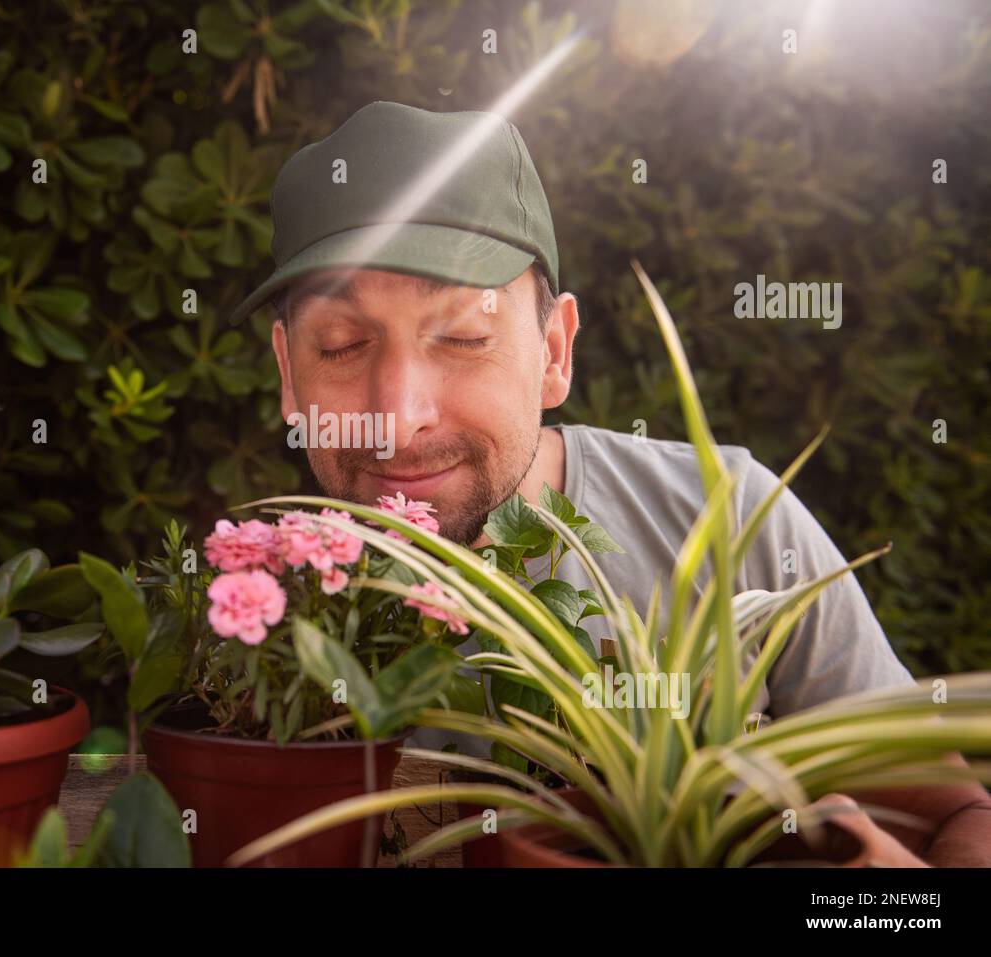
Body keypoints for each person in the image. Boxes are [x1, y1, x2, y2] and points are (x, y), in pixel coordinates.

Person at [227, 100, 991, 866]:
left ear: (555, 350)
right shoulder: (241, 620)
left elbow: (958, 809)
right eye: (344, 343)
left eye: (463, 337)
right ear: (290, 373)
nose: (398, 417)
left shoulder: (728, 522)